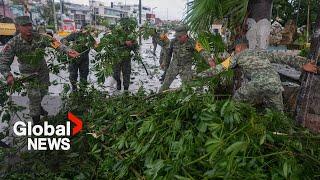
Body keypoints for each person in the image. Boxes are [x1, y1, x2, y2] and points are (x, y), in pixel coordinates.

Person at [0, 16, 79, 124]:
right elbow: (3, 62)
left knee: (43, 91)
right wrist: (8, 75)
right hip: (28, 74)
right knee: (34, 96)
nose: (28, 28)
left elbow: (54, 43)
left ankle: (38, 107)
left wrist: (68, 51)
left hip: (42, 70)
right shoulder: (12, 43)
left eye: (30, 25)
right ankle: (36, 123)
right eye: (24, 26)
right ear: (17, 27)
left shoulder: (40, 37)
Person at [203, 38, 317, 112]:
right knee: (278, 115)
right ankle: (283, 133)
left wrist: (200, 76)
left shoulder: (237, 56)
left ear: (238, 47)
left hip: (258, 83)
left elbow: (219, 68)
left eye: (233, 50)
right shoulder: (260, 52)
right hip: (275, 83)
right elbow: (283, 57)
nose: (233, 52)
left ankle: (232, 122)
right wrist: (302, 64)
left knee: (235, 102)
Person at [159, 25, 213, 92]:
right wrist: (165, 64)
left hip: (186, 68)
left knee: (187, 87)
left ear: (185, 35)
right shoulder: (173, 42)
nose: (178, 38)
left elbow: (202, 51)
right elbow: (168, 54)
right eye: (177, 36)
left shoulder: (193, 42)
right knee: (164, 86)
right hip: (174, 66)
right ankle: (158, 97)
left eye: (179, 37)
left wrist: (209, 60)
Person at [62, 24, 96, 91]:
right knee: (73, 75)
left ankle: (82, 91)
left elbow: (96, 47)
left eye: (88, 30)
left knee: (84, 75)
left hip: (84, 59)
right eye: (85, 29)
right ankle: (74, 89)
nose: (86, 32)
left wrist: (103, 43)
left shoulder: (90, 37)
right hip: (74, 58)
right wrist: (67, 44)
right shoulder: (75, 34)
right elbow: (63, 39)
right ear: (81, 29)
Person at [113, 18, 139, 91]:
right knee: (115, 74)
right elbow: (113, 41)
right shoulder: (116, 32)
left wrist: (132, 45)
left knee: (127, 74)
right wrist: (124, 43)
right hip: (117, 57)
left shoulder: (131, 34)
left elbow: (136, 45)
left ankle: (126, 89)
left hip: (126, 57)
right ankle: (118, 81)